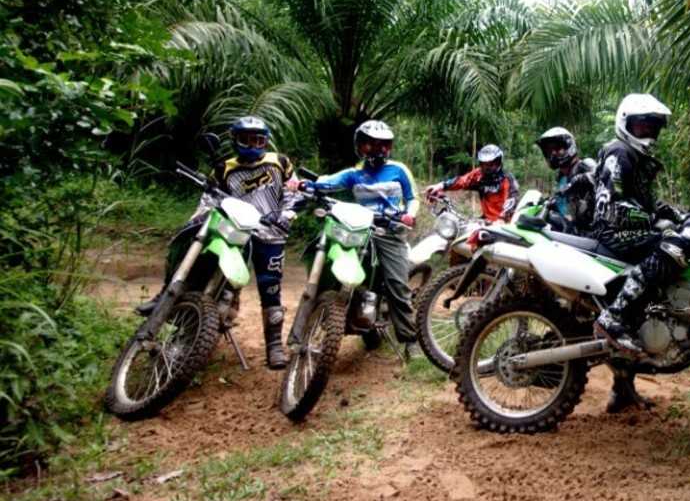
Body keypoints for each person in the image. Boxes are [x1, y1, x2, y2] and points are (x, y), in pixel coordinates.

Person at [137, 116, 301, 370]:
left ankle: (275, 346)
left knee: (270, 287)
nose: (252, 144)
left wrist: (285, 216)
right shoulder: (224, 168)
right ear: (235, 140)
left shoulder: (279, 162)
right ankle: (168, 296)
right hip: (231, 230)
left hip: (270, 233)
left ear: (266, 140)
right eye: (246, 139)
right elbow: (210, 198)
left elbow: (294, 193)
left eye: (258, 139)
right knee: (192, 254)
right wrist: (197, 221)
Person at [590, 93, 686, 413]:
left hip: (627, 229)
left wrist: (676, 214)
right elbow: (611, 204)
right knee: (671, 248)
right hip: (614, 231)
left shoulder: (635, 156)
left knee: (643, 307)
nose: (647, 132)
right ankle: (613, 315)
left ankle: (622, 390)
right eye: (641, 125)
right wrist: (654, 222)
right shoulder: (619, 153)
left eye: (652, 127)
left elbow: (644, 201)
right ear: (625, 122)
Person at [291, 120, 419, 340]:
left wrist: (410, 215)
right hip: (360, 229)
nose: (378, 150)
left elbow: (412, 198)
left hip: (389, 232)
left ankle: (409, 340)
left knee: (397, 286)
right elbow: (327, 183)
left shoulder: (399, 170)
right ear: (359, 145)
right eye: (370, 144)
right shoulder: (354, 174)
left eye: (383, 145)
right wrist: (305, 185)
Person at [425, 144, 519, 223]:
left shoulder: (507, 179)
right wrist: (440, 186)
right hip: (485, 222)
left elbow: (511, 202)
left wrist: (502, 219)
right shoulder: (479, 175)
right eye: (484, 164)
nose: (487, 167)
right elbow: (462, 181)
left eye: (491, 164)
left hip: (505, 225)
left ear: (498, 162)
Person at [535, 126, 596, 234]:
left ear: (569, 146)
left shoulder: (584, 165)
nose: (553, 153)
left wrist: (581, 179)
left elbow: (600, 176)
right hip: (567, 228)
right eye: (549, 150)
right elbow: (561, 200)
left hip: (589, 230)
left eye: (558, 148)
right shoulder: (561, 177)